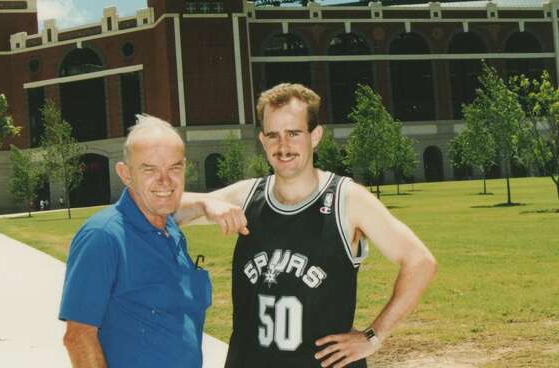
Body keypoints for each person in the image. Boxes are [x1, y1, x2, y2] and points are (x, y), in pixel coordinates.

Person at [178, 83, 438, 368]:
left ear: (315, 136)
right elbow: (165, 212)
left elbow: (420, 261)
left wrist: (373, 336)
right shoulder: (247, 196)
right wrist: (204, 203)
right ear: (262, 141)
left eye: (293, 133)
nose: (283, 146)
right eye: (273, 135)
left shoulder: (347, 200)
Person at [59, 115, 223, 368]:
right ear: (125, 174)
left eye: (174, 168)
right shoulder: (103, 237)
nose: (165, 181)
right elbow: (78, 337)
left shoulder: (171, 231)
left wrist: (205, 203)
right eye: (150, 169)